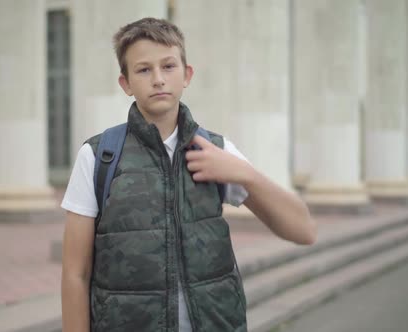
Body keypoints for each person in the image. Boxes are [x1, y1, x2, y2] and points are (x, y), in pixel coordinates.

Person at [60, 17, 316, 332]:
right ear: (125, 83)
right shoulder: (99, 156)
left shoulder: (216, 151)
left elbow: (303, 231)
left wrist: (245, 174)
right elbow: (75, 273)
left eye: (168, 66)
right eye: (143, 69)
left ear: (187, 75)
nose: (158, 79)